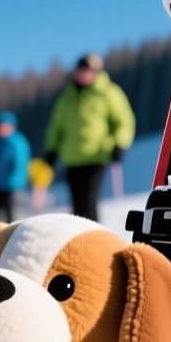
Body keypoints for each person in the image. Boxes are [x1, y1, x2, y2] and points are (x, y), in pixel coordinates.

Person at [43, 53, 136, 222]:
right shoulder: (67, 98)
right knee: (77, 204)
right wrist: (51, 150)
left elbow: (124, 120)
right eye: (82, 70)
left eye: (89, 71)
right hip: (71, 158)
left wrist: (120, 143)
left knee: (88, 201)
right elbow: (56, 127)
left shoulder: (108, 93)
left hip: (96, 156)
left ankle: (93, 241)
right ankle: (79, 241)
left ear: (97, 72)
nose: (85, 74)